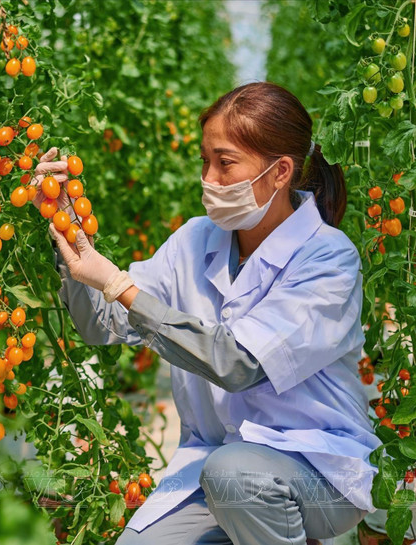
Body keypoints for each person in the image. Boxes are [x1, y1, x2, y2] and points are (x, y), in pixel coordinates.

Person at [36, 82, 381, 545]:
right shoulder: (194, 240)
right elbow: (103, 323)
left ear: (280, 172)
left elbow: (238, 363)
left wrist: (119, 285)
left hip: (318, 468)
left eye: (225, 163)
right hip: (216, 465)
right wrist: (71, 235)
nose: (209, 179)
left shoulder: (327, 258)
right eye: (204, 161)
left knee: (235, 477)